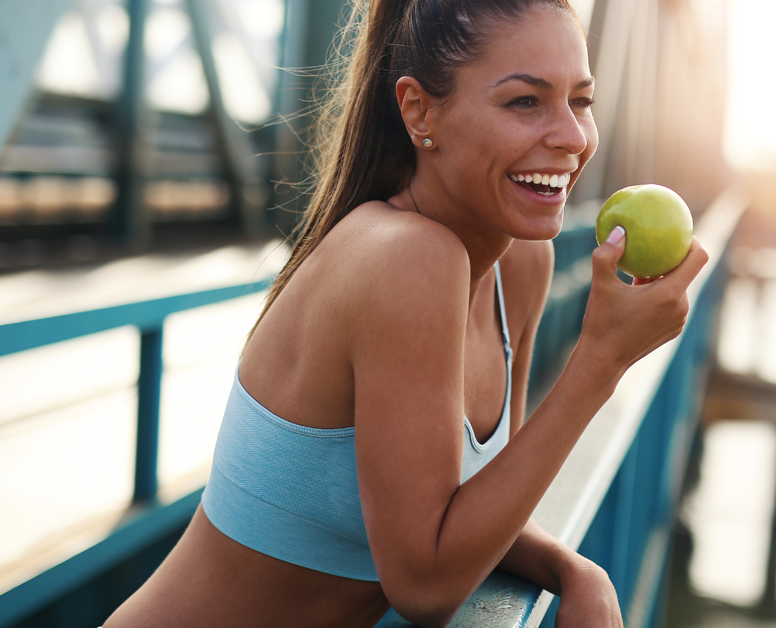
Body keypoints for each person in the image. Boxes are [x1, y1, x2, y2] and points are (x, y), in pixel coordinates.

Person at [105, 0, 707, 625]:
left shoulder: (521, 266)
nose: (572, 137)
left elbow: (475, 510)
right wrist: (601, 361)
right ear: (419, 111)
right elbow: (425, 582)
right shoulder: (407, 259)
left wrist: (572, 570)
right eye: (525, 102)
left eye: (580, 101)